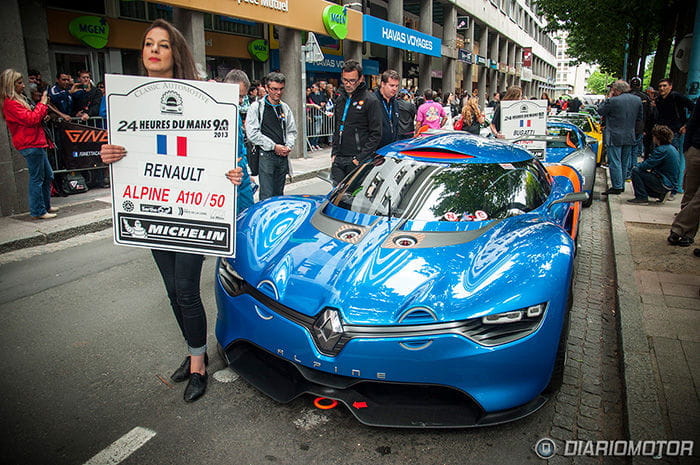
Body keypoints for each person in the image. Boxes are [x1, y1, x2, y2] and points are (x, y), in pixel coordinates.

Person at [99, 19, 244, 403]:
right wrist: (109, 155)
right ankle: (193, 350)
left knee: (185, 289)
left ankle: (199, 365)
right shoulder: (129, 99)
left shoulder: (205, 98)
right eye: (148, 43)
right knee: (170, 291)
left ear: (174, 52)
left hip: (194, 211)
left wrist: (233, 172)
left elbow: (227, 156)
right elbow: (126, 152)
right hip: (153, 208)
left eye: (163, 45)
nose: (154, 50)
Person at [1, 68, 58, 219]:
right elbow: (31, 119)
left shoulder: (20, 99)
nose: (23, 85)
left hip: (36, 141)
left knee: (47, 175)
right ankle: (38, 211)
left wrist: (42, 111)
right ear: (11, 85)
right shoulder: (11, 103)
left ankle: (45, 206)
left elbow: (33, 118)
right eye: (19, 83)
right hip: (30, 143)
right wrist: (43, 104)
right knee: (37, 178)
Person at [245, 71, 297, 200]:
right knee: (267, 195)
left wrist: (288, 146)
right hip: (266, 155)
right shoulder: (256, 107)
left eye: (280, 89)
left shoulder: (285, 108)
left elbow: (292, 131)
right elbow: (252, 133)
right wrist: (274, 146)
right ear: (267, 88)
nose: (278, 93)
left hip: (282, 157)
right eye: (274, 89)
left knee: (279, 194)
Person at [330, 60, 382, 185]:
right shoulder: (340, 98)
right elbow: (337, 127)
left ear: (360, 79)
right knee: (335, 195)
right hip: (339, 158)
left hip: (357, 158)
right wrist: (334, 153)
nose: (348, 84)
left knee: (354, 199)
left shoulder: (371, 101)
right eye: (345, 80)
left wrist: (359, 159)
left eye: (352, 80)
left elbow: (376, 133)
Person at [597, 80, 642, 195]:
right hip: (629, 134)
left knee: (615, 161)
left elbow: (600, 110)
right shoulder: (637, 100)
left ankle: (617, 186)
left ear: (616, 90)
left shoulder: (613, 101)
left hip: (614, 135)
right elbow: (639, 118)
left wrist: (609, 97)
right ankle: (621, 184)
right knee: (624, 161)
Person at [654, 78, 694, 196]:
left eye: (664, 86)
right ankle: (665, 186)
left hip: (675, 131)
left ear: (670, 86)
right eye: (660, 86)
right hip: (662, 132)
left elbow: (693, 108)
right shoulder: (659, 100)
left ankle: (674, 188)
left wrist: (686, 124)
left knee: (672, 159)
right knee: (662, 158)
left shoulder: (676, 97)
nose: (662, 88)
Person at [668, 98, 700, 247]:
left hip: (694, 148)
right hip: (696, 150)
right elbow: (693, 122)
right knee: (689, 192)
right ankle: (687, 234)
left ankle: (679, 229)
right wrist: (688, 148)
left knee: (697, 199)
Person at [222, 69, 255, 211]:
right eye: (239, 96)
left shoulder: (234, 112)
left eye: (243, 97)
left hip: (241, 174)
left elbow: (240, 147)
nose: (241, 101)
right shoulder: (217, 113)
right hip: (229, 175)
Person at [627, 125, 680, 205]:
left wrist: (636, 166)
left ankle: (641, 197)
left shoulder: (661, 150)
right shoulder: (672, 148)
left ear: (657, 138)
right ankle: (660, 195)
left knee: (636, 171)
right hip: (670, 182)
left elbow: (647, 164)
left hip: (664, 182)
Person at [628, 76, 653, 175]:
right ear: (640, 85)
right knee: (634, 150)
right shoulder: (645, 97)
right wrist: (645, 128)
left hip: (628, 127)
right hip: (640, 128)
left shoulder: (627, 96)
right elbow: (649, 114)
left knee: (628, 151)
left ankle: (628, 171)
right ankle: (633, 169)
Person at [373, 69, 400, 148]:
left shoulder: (395, 103)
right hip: (374, 152)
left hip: (391, 149)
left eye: (396, 86)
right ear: (383, 84)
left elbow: (396, 127)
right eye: (391, 85)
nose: (395, 89)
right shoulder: (372, 101)